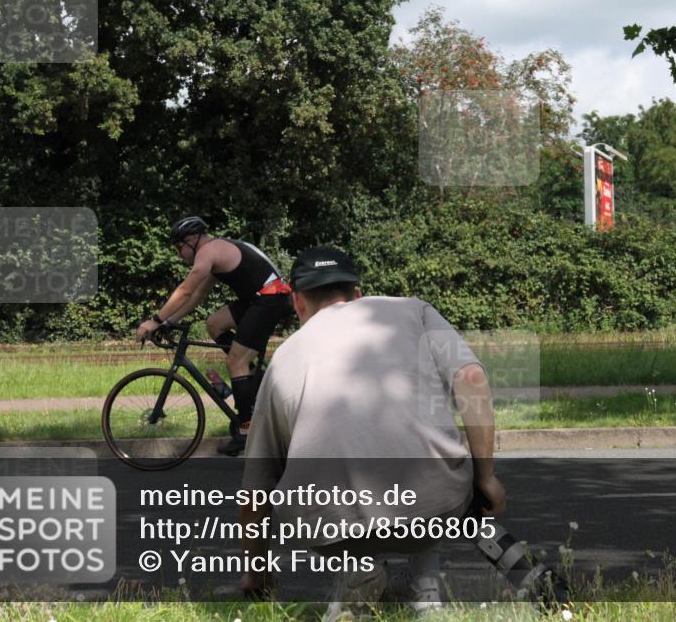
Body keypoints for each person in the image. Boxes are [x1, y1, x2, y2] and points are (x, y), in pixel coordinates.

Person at [236, 246, 506, 617]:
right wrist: (486, 476)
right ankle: (424, 588)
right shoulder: (413, 310)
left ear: (297, 303)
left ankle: (355, 569)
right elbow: (471, 378)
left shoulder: (283, 359)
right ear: (358, 294)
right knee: (428, 463)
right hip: (432, 510)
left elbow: (255, 490)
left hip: (332, 524)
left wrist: (257, 572)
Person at [135, 216, 294, 456]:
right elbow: (196, 296)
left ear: (191, 240)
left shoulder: (208, 252)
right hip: (259, 299)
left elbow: (185, 289)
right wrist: (168, 322)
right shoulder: (215, 253)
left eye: (179, 248)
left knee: (235, 361)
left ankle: (246, 429)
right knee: (214, 324)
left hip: (270, 299)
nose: (179, 254)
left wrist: (154, 321)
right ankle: (251, 379)